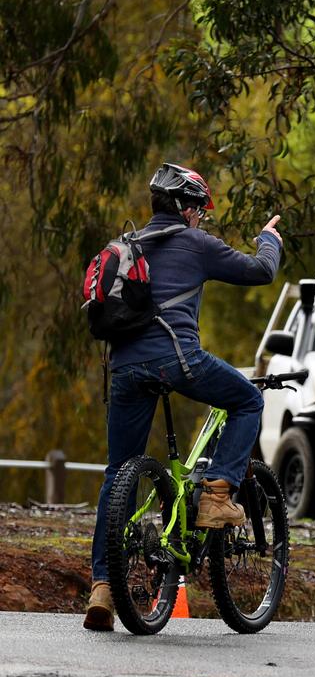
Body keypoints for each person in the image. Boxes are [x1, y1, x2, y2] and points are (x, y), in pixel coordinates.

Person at [83, 163, 283, 631]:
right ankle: (217, 493)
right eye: (200, 210)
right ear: (189, 209)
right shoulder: (195, 243)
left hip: (125, 370)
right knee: (247, 401)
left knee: (119, 473)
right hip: (177, 360)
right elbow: (261, 272)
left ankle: (103, 589)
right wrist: (269, 239)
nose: (200, 218)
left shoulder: (127, 245)